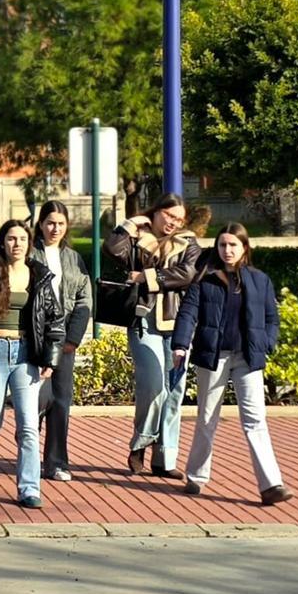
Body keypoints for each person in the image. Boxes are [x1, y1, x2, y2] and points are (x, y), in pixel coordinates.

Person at [172, 224, 293, 505]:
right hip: (214, 356)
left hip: (248, 358)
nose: (227, 251)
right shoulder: (205, 280)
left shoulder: (259, 280)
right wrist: (180, 344)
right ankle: (196, 476)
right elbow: (188, 313)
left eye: (233, 245)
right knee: (206, 418)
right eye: (223, 245)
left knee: (255, 420)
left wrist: (267, 343)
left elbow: (271, 318)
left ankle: (271, 485)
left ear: (244, 248)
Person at [0, 219, 65, 507]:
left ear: (29, 243)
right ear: (2, 242)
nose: (16, 244)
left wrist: (50, 359)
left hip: (25, 356)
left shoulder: (40, 275)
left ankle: (29, 489)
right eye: (10, 239)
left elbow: (54, 320)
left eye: (21, 239)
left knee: (28, 427)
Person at [104, 194, 201, 481]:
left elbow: (187, 273)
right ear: (156, 213)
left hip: (178, 323)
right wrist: (130, 224)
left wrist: (144, 277)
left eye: (178, 218)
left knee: (174, 391)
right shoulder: (138, 238)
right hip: (143, 320)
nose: (173, 222)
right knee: (154, 385)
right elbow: (112, 249)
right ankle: (142, 441)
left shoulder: (189, 242)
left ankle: (165, 458)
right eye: (169, 215)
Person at [32, 201, 92, 483]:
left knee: (60, 401)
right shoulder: (29, 253)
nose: (55, 228)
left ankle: (56, 462)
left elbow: (84, 300)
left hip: (63, 339)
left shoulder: (74, 258)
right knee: (30, 402)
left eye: (60, 223)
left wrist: (72, 339)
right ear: (41, 224)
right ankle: (28, 459)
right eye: (50, 222)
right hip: (32, 336)